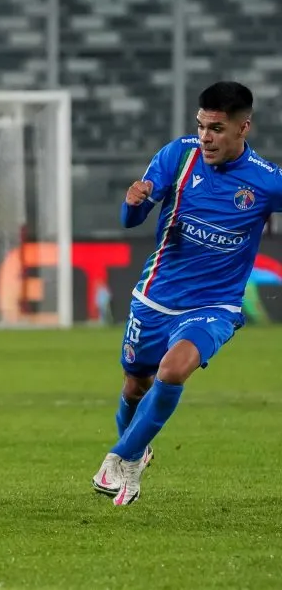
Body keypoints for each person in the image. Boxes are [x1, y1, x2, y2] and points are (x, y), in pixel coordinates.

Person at [91, 81, 282, 506]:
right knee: (134, 385)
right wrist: (135, 201)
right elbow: (131, 218)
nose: (206, 138)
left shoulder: (267, 182)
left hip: (214, 305)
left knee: (174, 370)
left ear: (242, 127)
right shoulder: (178, 156)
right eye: (201, 127)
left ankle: (118, 458)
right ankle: (136, 456)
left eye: (215, 128)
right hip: (155, 297)